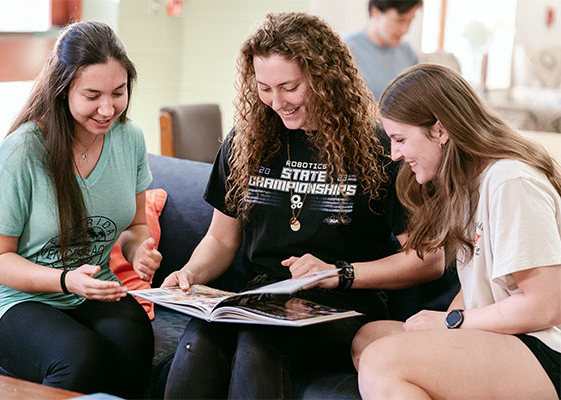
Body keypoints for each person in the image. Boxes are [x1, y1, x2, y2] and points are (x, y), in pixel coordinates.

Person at [162, 12, 444, 399]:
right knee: (199, 340)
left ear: (324, 78)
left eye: (289, 87)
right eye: (264, 88)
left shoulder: (381, 149)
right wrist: (189, 275)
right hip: (261, 299)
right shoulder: (245, 142)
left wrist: (339, 273)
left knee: (260, 344)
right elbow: (221, 240)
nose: (276, 102)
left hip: (344, 305)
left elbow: (429, 259)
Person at [352, 63, 561, 399]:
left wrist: (451, 324)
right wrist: (447, 323)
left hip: (544, 349)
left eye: (401, 139)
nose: (393, 155)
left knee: (383, 359)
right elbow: (477, 288)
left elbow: (545, 306)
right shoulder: (467, 186)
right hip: (498, 338)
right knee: (370, 337)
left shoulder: (510, 181)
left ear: (440, 131)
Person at [0, 21, 161, 398]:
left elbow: (136, 225)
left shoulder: (130, 140)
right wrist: (65, 280)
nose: (107, 108)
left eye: (119, 92)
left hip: (93, 292)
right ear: (63, 90)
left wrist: (138, 250)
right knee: (79, 357)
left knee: (136, 336)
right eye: (92, 95)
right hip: (19, 300)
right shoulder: (20, 153)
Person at [345, 0, 422, 100]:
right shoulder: (347, 51)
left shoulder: (407, 52)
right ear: (375, 12)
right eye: (400, 20)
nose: (405, 29)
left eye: (410, 20)